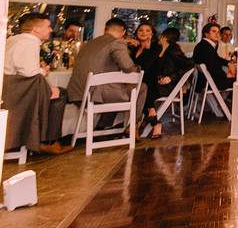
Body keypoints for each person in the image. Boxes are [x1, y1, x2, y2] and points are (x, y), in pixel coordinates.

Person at [2, 13, 71, 154]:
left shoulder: (13, 39)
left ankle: (39, 139)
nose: (51, 30)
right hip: (19, 92)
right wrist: (43, 71)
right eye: (48, 26)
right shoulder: (30, 42)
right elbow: (29, 72)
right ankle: (48, 141)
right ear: (36, 29)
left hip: (9, 88)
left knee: (53, 91)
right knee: (61, 94)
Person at [68, 17, 148, 124]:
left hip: (77, 93)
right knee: (142, 87)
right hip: (94, 97)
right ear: (123, 32)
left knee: (115, 87)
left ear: (105, 29)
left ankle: (105, 126)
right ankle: (132, 126)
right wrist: (137, 68)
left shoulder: (90, 43)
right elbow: (128, 67)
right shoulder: (117, 43)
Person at [145, 27, 193, 139]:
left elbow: (189, 63)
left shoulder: (173, 50)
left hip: (168, 86)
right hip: (156, 83)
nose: (159, 38)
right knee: (144, 87)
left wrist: (171, 77)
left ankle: (151, 120)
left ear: (165, 37)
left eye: (161, 35)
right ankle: (152, 116)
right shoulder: (158, 48)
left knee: (145, 89)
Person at [192, 22, 235, 92]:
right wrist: (226, 75)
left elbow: (216, 59)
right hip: (211, 82)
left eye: (218, 32)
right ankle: (227, 102)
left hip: (203, 81)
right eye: (214, 31)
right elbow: (212, 67)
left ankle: (222, 101)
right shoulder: (206, 48)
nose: (217, 34)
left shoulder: (204, 45)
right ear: (206, 34)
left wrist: (228, 63)